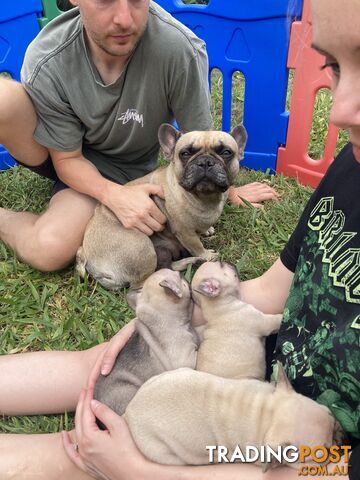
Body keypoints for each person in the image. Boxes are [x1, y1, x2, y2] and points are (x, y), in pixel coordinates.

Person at [0, 0, 359, 478]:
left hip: (268, 436)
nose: (340, 109)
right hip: (230, 339)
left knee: (80, 451)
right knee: (99, 362)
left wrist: (138, 469)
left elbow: (321, 469)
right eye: (333, 66)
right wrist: (156, 322)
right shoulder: (348, 169)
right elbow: (271, 288)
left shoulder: (175, 49)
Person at [0, 0, 277, 273]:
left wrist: (228, 188)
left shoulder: (179, 49)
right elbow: (68, 159)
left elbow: (202, 148)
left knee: (50, 247)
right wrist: (115, 196)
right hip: (67, 155)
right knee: (4, 98)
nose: (124, 18)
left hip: (129, 169)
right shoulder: (49, 57)